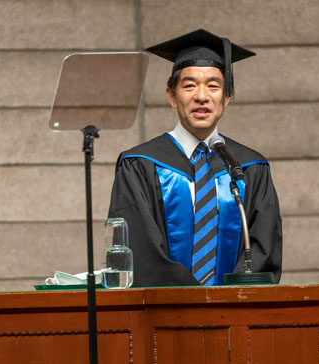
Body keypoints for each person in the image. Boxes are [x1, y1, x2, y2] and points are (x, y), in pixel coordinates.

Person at [107, 29, 282, 287]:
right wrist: (196, 301)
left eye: (214, 86)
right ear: (171, 95)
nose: (202, 96)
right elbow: (140, 252)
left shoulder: (249, 167)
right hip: (166, 316)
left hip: (233, 316)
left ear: (226, 98)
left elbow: (263, 250)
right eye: (189, 85)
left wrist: (228, 305)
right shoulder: (140, 165)